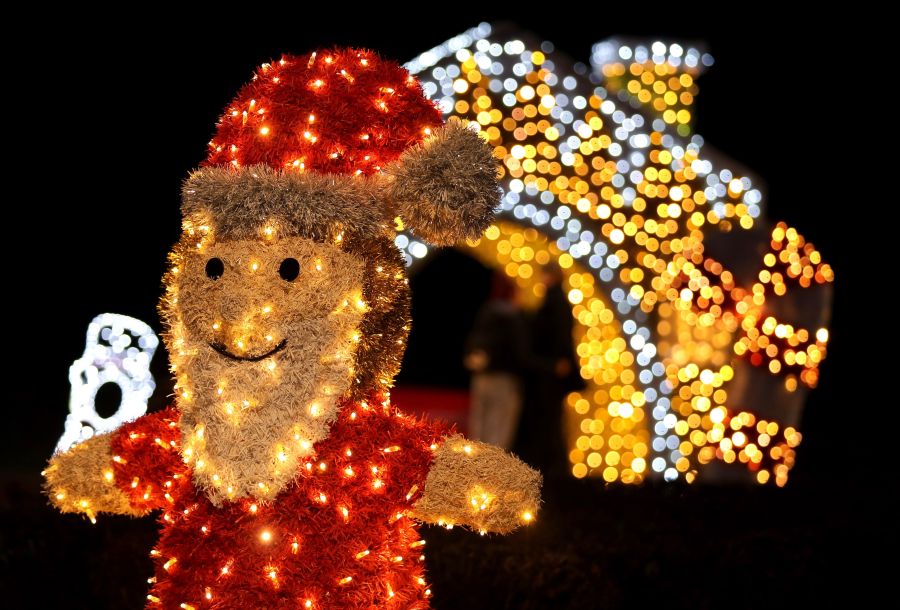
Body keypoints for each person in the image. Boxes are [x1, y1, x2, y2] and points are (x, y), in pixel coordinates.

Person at [515, 264, 584, 480]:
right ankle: (554, 470)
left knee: (549, 423)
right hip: (552, 370)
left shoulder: (554, 302)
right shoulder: (558, 301)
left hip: (549, 371)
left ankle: (552, 470)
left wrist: (556, 362)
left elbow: (556, 335)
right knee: (552, 422)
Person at [464, 271, 531, 450]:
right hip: (505, 380)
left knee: (479, 425)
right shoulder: (513, 317)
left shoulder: (487, 313)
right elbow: (521, 352)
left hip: (482, 377)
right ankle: (492, 472)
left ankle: (474, 466)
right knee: (499, 430)